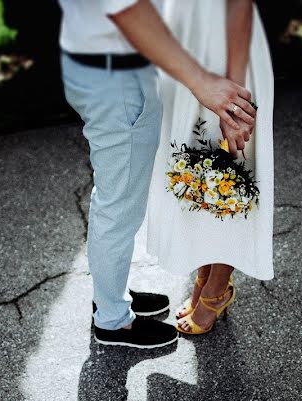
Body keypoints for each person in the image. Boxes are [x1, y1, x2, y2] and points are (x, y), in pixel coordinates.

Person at [58, 0, 257, 349]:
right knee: (117, 207)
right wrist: (201, 81)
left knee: (115, 198)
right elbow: (125, 6)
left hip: (107, 62)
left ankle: (112, 295)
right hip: (115, 75)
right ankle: (113, 322)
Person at [146, 0, 274, 335]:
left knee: (232, 179)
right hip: (184, 54)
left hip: (227, 57)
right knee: (198, 180)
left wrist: (233, 101)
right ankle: (205, 275)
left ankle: (217, 289)